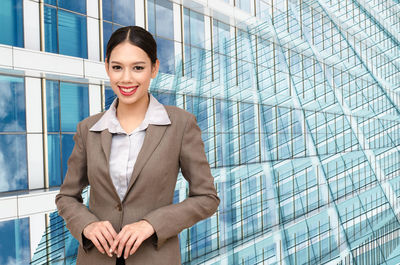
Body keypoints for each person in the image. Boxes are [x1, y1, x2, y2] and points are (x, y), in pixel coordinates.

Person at [55, 25, 220, 265]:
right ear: (107, 67)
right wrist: (87, 224)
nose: (126, 78)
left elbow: (206, 198)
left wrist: (152, 224)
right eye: (117, 67)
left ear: (154, 68)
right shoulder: (88, 129)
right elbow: (67, 197)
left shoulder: (181, 124)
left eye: (138, 68)